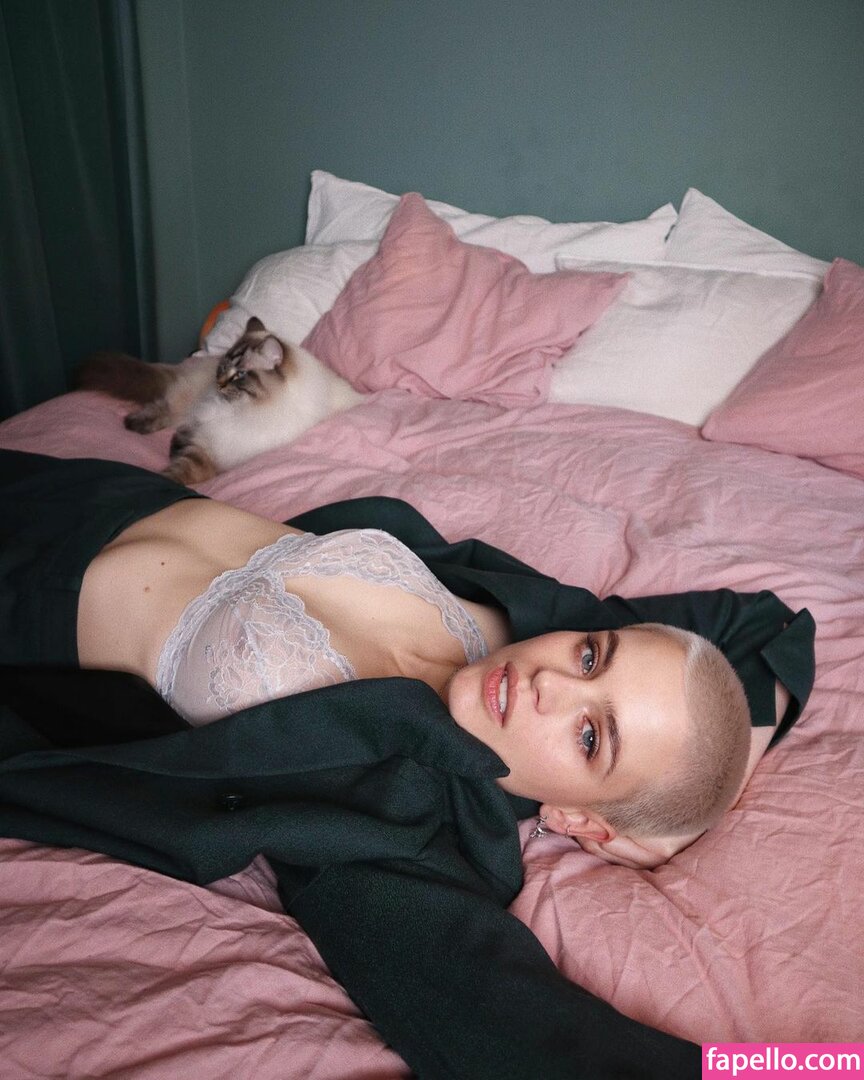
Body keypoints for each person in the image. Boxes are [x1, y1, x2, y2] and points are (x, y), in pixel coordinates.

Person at [0, 449, 816, 1079]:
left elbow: (540, 1045)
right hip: (80, 487)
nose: (553, 684)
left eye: (592, 738)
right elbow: (761, 628)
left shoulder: (402, 821)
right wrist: (663, 821)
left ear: (576, 818)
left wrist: (821, 1065)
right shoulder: (536, 627)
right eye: (593, 657)